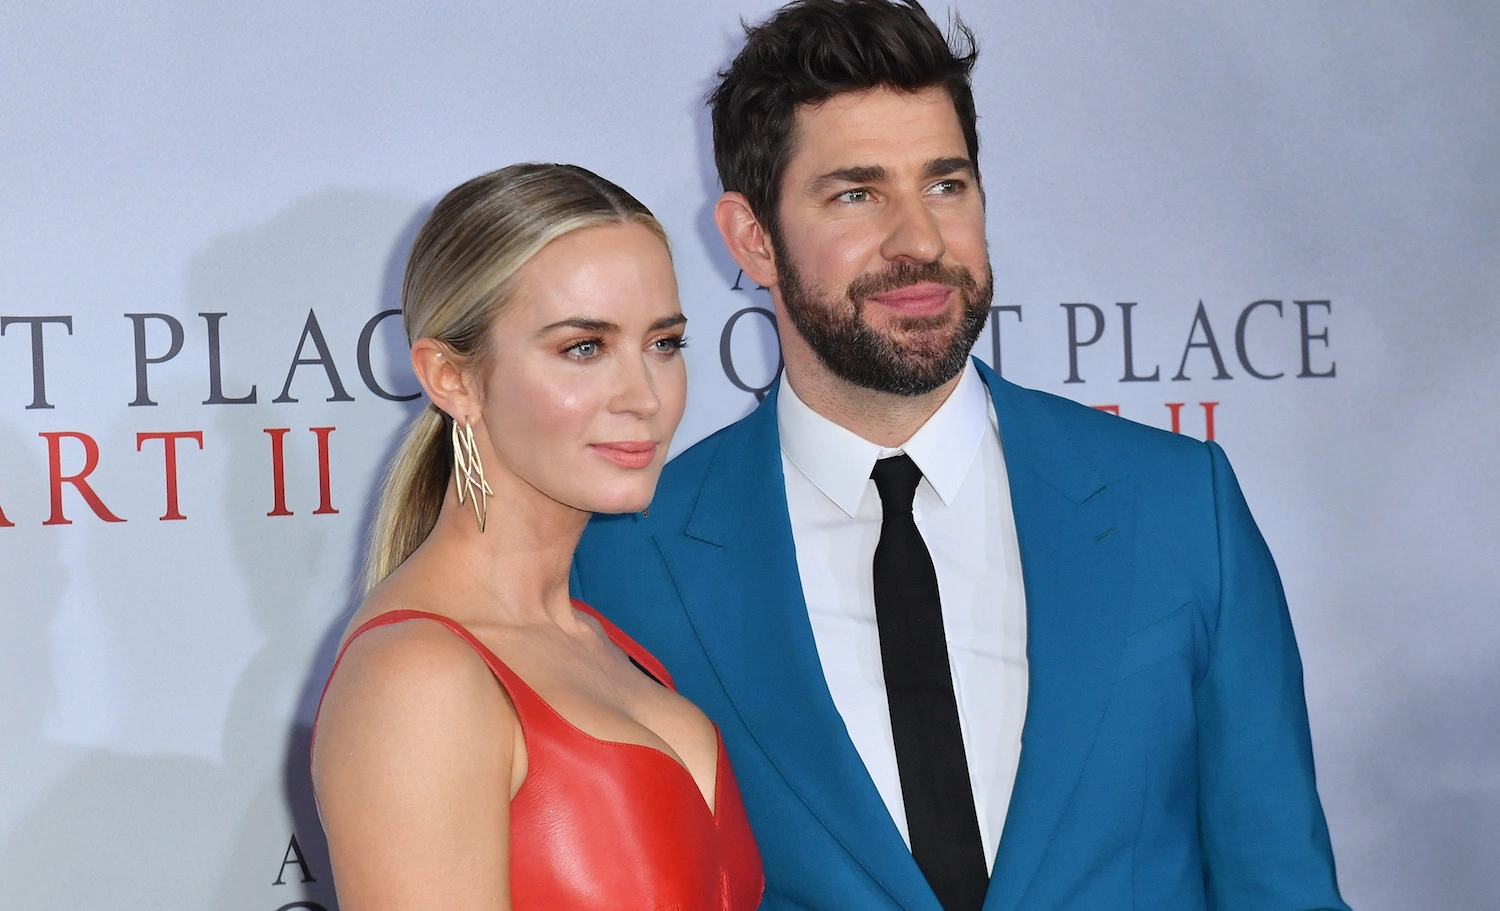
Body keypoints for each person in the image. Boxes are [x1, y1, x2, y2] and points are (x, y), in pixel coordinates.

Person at [572, 2, 1349, 910]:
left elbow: (1281, 884)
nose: (922, 241)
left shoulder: (1179, 503)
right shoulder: (632, 557)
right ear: (752, 238)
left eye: (946, 185)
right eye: (857, 194)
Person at [311, 163, 764, 911]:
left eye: (664, 344)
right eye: (584, 346)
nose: (644, 397)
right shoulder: (418, 679)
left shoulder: (605, 642)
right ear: (452, 378)